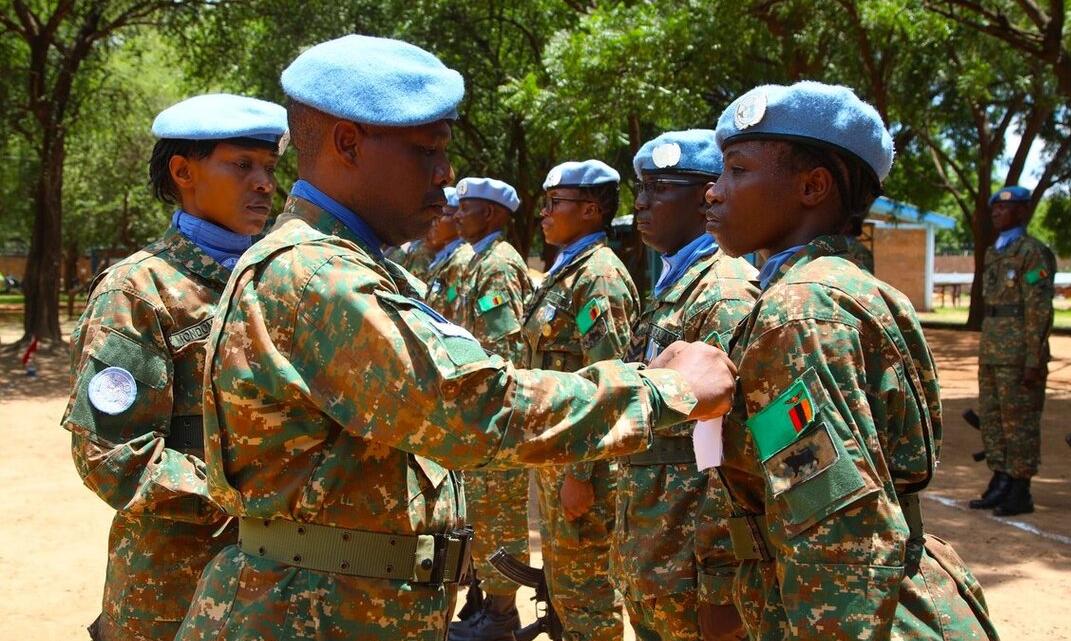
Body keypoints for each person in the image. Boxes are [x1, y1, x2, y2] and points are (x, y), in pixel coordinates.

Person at [172, 35, 736, 641]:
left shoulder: (340, 264)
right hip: (311, 616)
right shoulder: (320, 276)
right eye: (428, 151)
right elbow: (472, 406)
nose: (445, 174)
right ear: (347, 144)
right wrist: (666, 389)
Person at [704, 81, 999, 640]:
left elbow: (835, 523)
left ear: (812, 187)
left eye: (737, 171)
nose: (714, 192)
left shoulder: (801, 309)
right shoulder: (842, 287)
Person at [60, 93, 287, 641]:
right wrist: (251, 491)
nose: (264, 184)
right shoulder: (139, 291)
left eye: (269, 168)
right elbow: (111, 457)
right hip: (173, 593)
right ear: (184, 172)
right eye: (242, 165)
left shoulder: (278, 279)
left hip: (278, 587)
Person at [614, 129, 755, 641]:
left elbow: (729, 459)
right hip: (658, 551)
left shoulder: (723, 294)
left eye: (660, 189)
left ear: (705, 198)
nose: (641, 203)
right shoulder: (677, 284)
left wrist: (721, 584)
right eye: (642, 188)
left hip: (690, 569)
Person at [520, 158, 637, 641]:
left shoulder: (599, 277)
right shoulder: (568, 271)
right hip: (559, 457)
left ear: (590, 210)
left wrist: (581, 476)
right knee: (566, 590)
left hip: (584, 466)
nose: (544, 213)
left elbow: (610, 383)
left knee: (588, 596)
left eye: (555, 203)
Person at [447, 176, 534, 640]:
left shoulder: (498, 265)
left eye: (468, 208)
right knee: (481, 514)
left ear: (493, 214)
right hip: (476, 413)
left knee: (500, 516)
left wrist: (492, 413)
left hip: (497, 416)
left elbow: (504, 347)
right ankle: (484, 605)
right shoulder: (477, 259)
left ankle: (502, 614)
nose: (457, 215)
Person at [968, 185, 1055, 516]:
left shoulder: (1032, 252)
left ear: (1022, 212)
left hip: (1018, 352)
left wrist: (1034, 357)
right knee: (993, 417)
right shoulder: (995, 252)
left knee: (1019, 421)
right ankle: (1001, 477)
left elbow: (1038, 308)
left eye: (1006, 208)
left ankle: (1020, 487)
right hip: (992, 349)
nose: (997, 213)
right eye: (995, 208)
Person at [423, 186, 473, 321]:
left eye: (442, 214)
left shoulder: (463, 257)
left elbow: (454, 300)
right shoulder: (446, 255)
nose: (435, 221)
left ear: (457, 218)